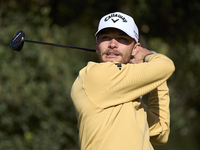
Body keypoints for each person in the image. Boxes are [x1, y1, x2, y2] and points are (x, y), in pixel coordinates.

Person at [71, 12, 175, 150]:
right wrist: (150, 57)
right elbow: (166, 66)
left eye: (122, 39)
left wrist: (157, 78)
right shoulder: (94, 75)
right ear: (97, 46)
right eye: (105, 37)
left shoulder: (129, 98)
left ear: (135, 49)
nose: (112, 44)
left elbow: (161, 133)